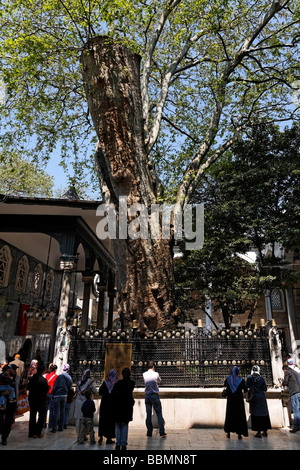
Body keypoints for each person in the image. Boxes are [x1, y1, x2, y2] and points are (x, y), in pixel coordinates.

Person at [112, 367, 135, 450]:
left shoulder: (118, 383)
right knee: (125, 425)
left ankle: (118, 444)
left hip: (119, 406)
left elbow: (114, 394)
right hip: (127, 406)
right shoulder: (132, 383)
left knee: (118, 425)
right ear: (129, 374)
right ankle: (124, 444)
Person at [245, 365, 271, 438]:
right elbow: (265, 389)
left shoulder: (250, 378)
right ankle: (265, 430)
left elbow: (246, 386)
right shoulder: (262, 379)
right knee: (264, 413)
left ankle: (259, 432)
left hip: (254, 398)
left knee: (256, 414)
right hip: (262, 398)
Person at [143, 361, 166, 438]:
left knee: (148, 414)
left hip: (147, 396)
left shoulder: (144, 374)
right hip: (155, 395)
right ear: (153, 367)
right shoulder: (156, 374)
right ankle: (162, 432)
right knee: (159, 413)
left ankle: (149, 431)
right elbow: (159, 381)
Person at [224, 366, 248, 439]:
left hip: (230, 400)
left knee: (230, 415)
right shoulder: (241, 380)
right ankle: (239, 433)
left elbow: (225, 386)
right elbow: (245, 390)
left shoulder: (228, 379)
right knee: (239, 416)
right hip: (239, 400)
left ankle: (228, 432)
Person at [27, 364, 49, 438]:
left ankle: (31, 433)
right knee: (41, 416)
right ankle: (37, 432)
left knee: (32, 416)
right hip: (41, 400)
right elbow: (46, 390)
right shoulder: (43, 380)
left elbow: (28, 387)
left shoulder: (33, 379)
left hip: (32, 400)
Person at [74, 369, 97, 440]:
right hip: (86, 403)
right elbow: (95, 391)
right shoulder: (90, 382)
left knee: (79, 421)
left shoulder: (78, 383)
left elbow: (76, 391)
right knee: (86, 421)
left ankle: (79, 435)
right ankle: (83, 435)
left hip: (78, 403)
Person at [50, 364, 73, 433]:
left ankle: (54, 428)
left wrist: (53, 394)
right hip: (65, 396)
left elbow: (55, 386)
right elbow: (70, 387)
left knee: (56, 411)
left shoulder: (59, 376)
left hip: (57, 395)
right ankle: (61, 427)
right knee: (63, 411)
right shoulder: (69, 377)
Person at [98, 369, 119, 445]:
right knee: (110, 422)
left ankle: (101, 437)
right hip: (112, 406)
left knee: (103, 420)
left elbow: (100, 392)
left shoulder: (105, 382)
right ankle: (109, 438)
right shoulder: (116, 383)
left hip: (104, 405)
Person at [282, 362, 300, 433]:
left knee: (296, 410)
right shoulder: (295, 372)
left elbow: (285, 382)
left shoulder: (287, 372)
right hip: (299, 391)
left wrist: (282, 383)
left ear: (284, 370)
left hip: (294, 392)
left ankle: (296, 427)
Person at [44, 363, 57, 429]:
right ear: (55, 370)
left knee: (45, 409)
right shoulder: (56, 376)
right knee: (52, 409)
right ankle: (50, 425)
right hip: (52, 394)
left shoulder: (46, 376)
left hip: (46, 393)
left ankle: (43, 424)